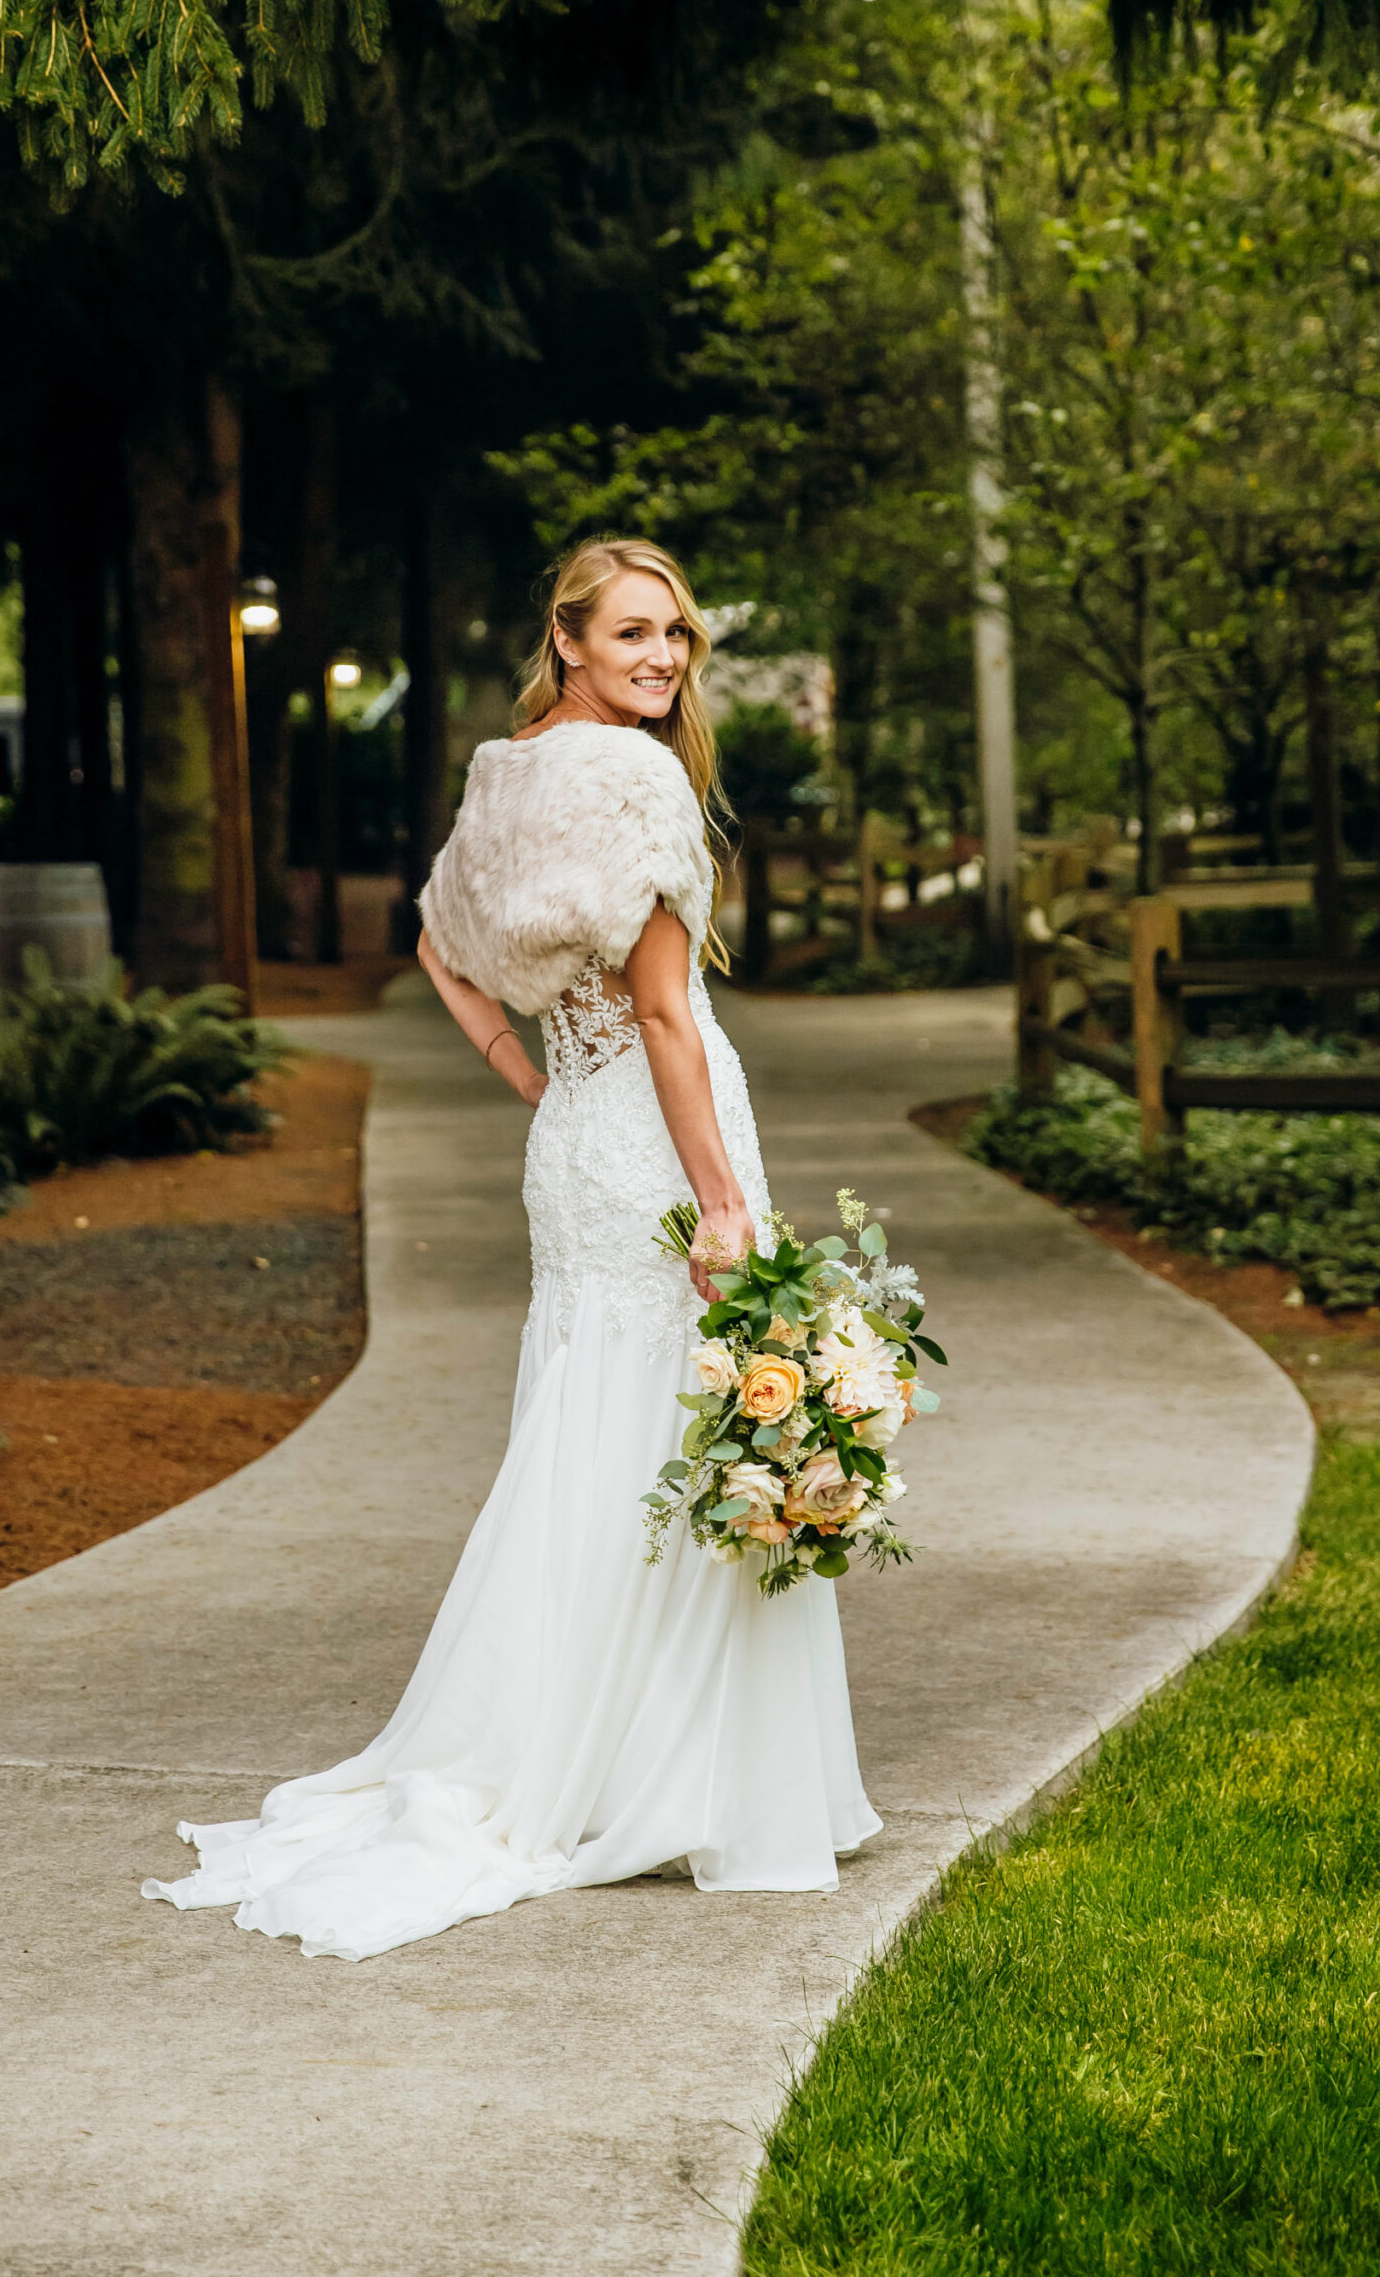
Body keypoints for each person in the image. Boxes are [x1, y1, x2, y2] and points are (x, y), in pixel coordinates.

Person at [143, 538, 880, 1961]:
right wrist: (722, 1198)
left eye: (676, 637)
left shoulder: (507, 772)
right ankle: (674, 1780)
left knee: (591, 1447)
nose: (661, 659)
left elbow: (435, 942)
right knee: (685, 1438)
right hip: (662, 1141)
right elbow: (668, 1017)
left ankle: (583, 1755)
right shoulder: (635, 779)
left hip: (579, 1144)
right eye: (633, 635)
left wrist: (534, 1075)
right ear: (569, 637)